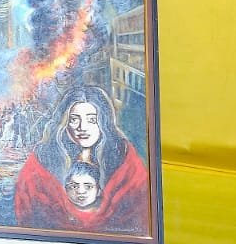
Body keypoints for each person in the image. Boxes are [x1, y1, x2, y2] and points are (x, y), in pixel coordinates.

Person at [13, 86, 150, 235]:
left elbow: (139, 205)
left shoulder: (122, 155)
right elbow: (29, 209)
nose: (82, 127)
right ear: (64, 122)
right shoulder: (43, 156)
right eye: (74, 119)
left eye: (92, 120)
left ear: (104, 121)